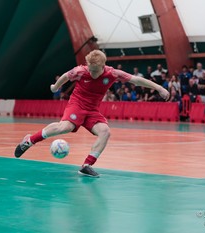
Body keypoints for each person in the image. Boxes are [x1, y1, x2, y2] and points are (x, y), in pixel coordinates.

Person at [14, 50, 169, 177]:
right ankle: (29, 140)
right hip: (77, 105)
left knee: (105, 131)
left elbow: (136, 80)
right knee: (65, 127)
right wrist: (55, 87)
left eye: (96, 71)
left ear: (103, 66)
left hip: (92, 110)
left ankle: (87, 165)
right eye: (91, 69)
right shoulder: (81, 71)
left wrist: (160, 88)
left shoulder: (112, 74)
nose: (93, 73)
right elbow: (65, 77)